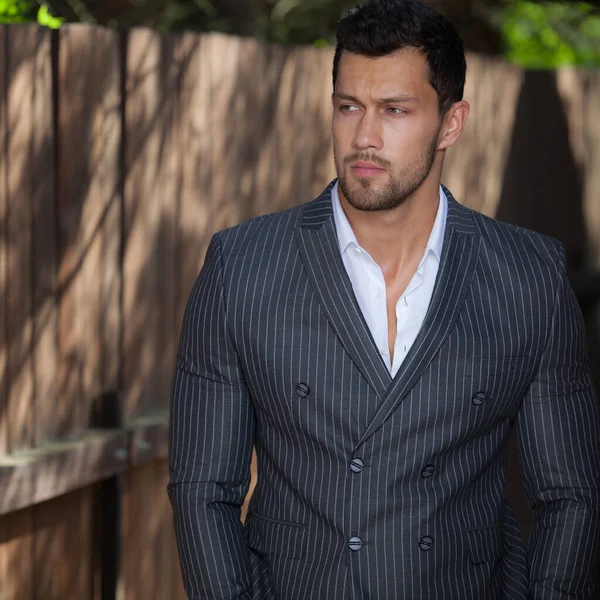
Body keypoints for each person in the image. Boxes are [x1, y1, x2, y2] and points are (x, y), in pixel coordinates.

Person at [168, 0, 600, 598]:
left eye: (394, 110)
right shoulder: (243, 266)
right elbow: (201, 490)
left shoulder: (530, 277)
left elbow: (570, 496)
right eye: (349, 107)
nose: (364, 137)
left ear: (451, 122)